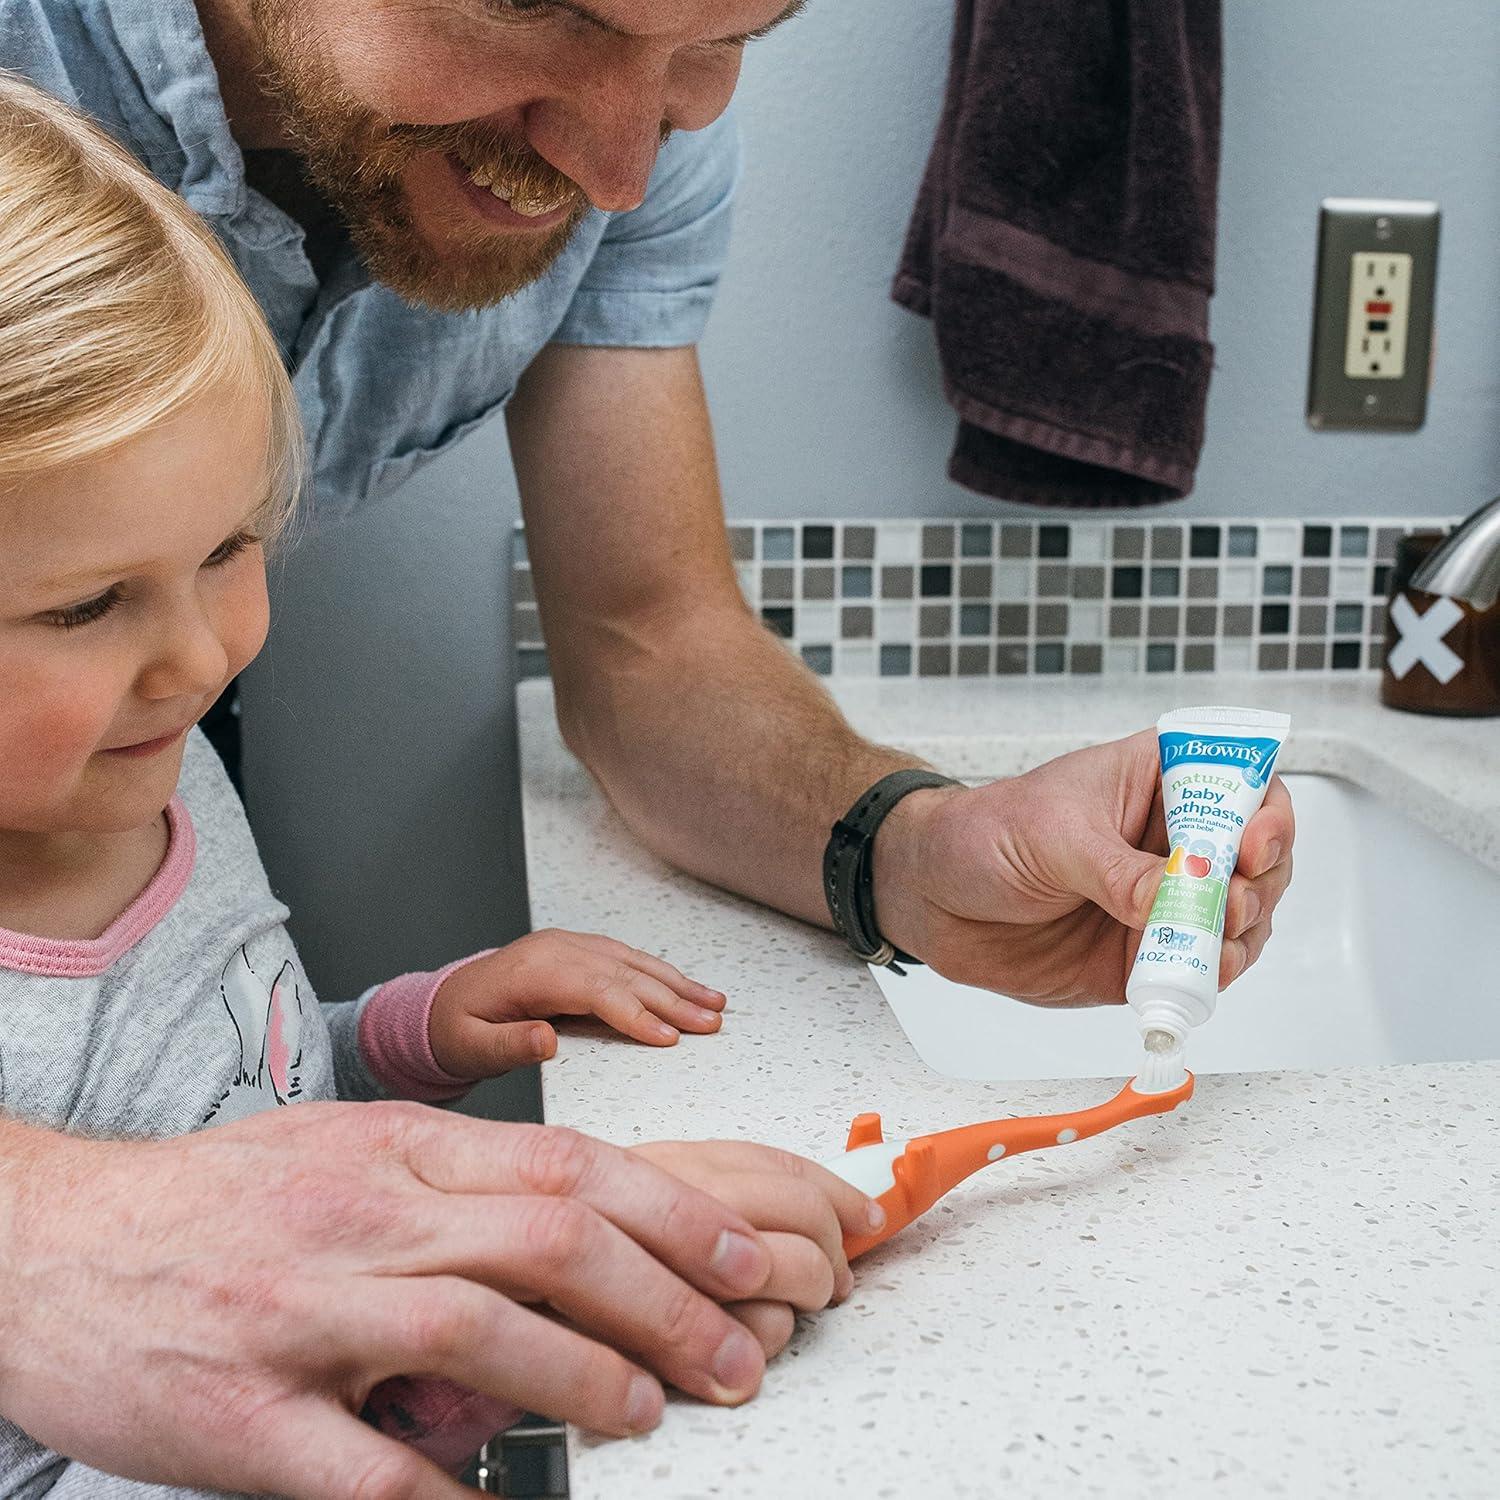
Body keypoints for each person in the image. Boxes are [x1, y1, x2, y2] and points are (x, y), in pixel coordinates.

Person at [0, 0, 1296, 1493]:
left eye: (716, 41)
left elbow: (648, 638)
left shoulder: (167, 780)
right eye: (542, 9)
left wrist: (915, 851)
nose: (624, 168)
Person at [0, 72, 882, 1498]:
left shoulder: (150, 783)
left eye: (230, 552)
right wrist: (431, 1366)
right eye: (90, 604)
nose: (197, 661)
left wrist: (413, 1034)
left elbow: (239, 1105)